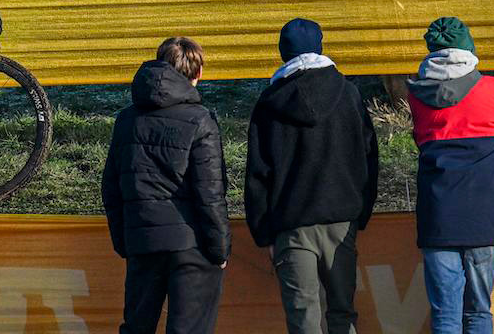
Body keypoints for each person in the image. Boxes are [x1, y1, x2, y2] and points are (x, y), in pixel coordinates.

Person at [245, 18, 378, 334]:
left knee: (302, 320)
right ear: (320, 46)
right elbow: (370, 157)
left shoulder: (269, 104)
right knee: (343, 314)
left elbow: (257, 174)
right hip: (341, 221)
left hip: (291, 227)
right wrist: (362, 211)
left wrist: (264, 232)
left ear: (282, 53)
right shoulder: (348, 94)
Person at [103, 35, 231, 334]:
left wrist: (126, 242)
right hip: (192, 245)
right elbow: (211, 193)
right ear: (197, 74)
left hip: (143, 241)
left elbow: (111, 186)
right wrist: (220, 249)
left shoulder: (126, 120)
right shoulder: (201, 120)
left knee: (136, 327)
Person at [407, 16, 494, 334]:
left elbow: (422, 140)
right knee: (478, 310)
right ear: (468, 47)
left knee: (445, 314)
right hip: (486, 211)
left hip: (439, 212)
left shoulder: (417, 94)